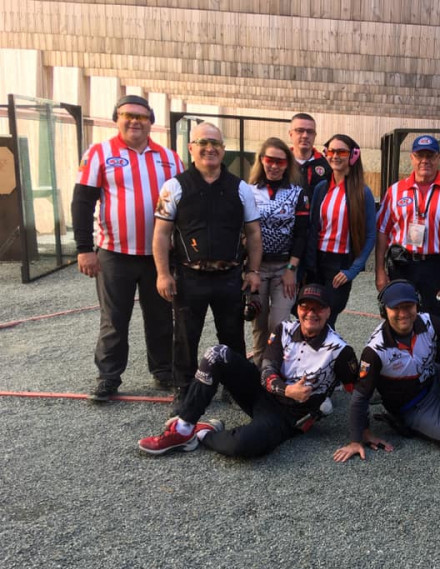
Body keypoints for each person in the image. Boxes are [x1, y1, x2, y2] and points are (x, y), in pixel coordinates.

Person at [138, 284, 360, 457]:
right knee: (217, 353)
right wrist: (287, 390)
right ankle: (184, 427)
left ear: (329, 311)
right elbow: (267, 371)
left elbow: (358, 390)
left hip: (288, 415)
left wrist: (360, 434)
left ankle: (203, 433)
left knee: (243, 446)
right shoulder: (284, 328)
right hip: (264, 393)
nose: (310, 313)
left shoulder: (340, 350)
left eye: (317, 308)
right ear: (297, 309)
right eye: (305, 307)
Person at [71, 94, 184, 402]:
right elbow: (82, 202)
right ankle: (108, 377)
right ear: (116, 119)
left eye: (142, 116)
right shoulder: (99, 153)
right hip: (114, 253)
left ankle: (163, 371)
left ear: (151, 122)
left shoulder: (170, 158)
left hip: (158, 257)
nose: (135, 121)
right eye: (128, 115)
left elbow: (184, 205)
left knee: (161, 317)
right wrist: (84, 248)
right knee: (114, 319)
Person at [152, 122, 262, 403]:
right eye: (203, 143)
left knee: (232, 335)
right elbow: (161, 234)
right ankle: (184, 389)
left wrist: (253, 271)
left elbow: (253, 233)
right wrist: (163, 274)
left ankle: (235, 387)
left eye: (215, 143)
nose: (209, 148)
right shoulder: (174, 187)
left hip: (229, 277)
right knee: (185, 336)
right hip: (189, 277)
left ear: (223, 150)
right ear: (191, 148)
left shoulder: (241, 188)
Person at [333, 280, 440, 463]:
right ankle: (414, 422)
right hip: (413, 407)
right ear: (384, 310)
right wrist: (356, 440)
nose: (403, 314)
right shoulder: (375, 350)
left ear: (417, 305)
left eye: (408, 306)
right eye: (396, 308)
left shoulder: (429, 321)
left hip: (435, 382)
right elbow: (360, 397)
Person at [375, 135, 440, 320]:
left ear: (438, 158)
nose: (425, 160)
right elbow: (382, 231)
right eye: (420, 155)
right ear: (412, 158)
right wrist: (379, 271)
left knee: (434, 319)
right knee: (399, 317)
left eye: (430, 155)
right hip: (401, 265)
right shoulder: (395, 191)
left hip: (435, 267)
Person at [247, 137, 309, 366]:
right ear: (261, 160)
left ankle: (276, 368)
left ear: (287, 165)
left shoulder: (297, 193)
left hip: (285, 267)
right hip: (257, 268)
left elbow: (301, 234)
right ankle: (258, 370)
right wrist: (249, 270)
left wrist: (292, 269)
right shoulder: (249, 191)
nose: (274, 166)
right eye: (269, 160)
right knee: (259, 323)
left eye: (280, 162)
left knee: (279, 323)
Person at [305, 134, 376, 328]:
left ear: (353, 156)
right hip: (316, 262)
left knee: (327, 317)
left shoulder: (363, 192)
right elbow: (312, 227)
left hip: (340, 263)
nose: (335, 156)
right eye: (331, 151)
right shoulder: (321, 188)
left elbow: (371, 235)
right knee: (310, 316)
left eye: (342, 152)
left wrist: (353, 270)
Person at [288, 113, 331, 194]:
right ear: (291, 134)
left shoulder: (326, 165)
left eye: (310, 132)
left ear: (315, 135)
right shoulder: (282, 162)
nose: (305, 135)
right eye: (300, 130)